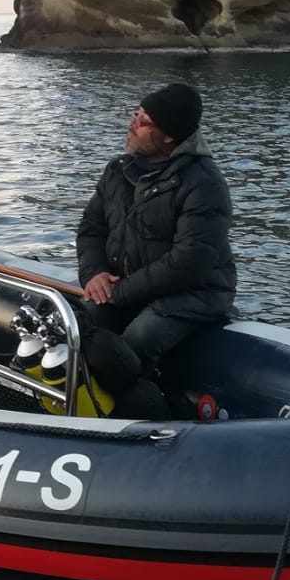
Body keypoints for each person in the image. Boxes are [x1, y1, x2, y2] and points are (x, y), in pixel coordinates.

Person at [76, 82, 236, 370]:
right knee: (77, 325)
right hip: (129, 288)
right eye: (136, 113)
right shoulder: (117, 170)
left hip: (194, 295)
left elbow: (189, 262)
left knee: (138, 339)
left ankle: (136, 408)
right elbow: (91, 228)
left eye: (144, 121)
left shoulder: (204, 184)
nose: (132, 123)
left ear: (169, 137)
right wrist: (94, 274)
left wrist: (119, 293)